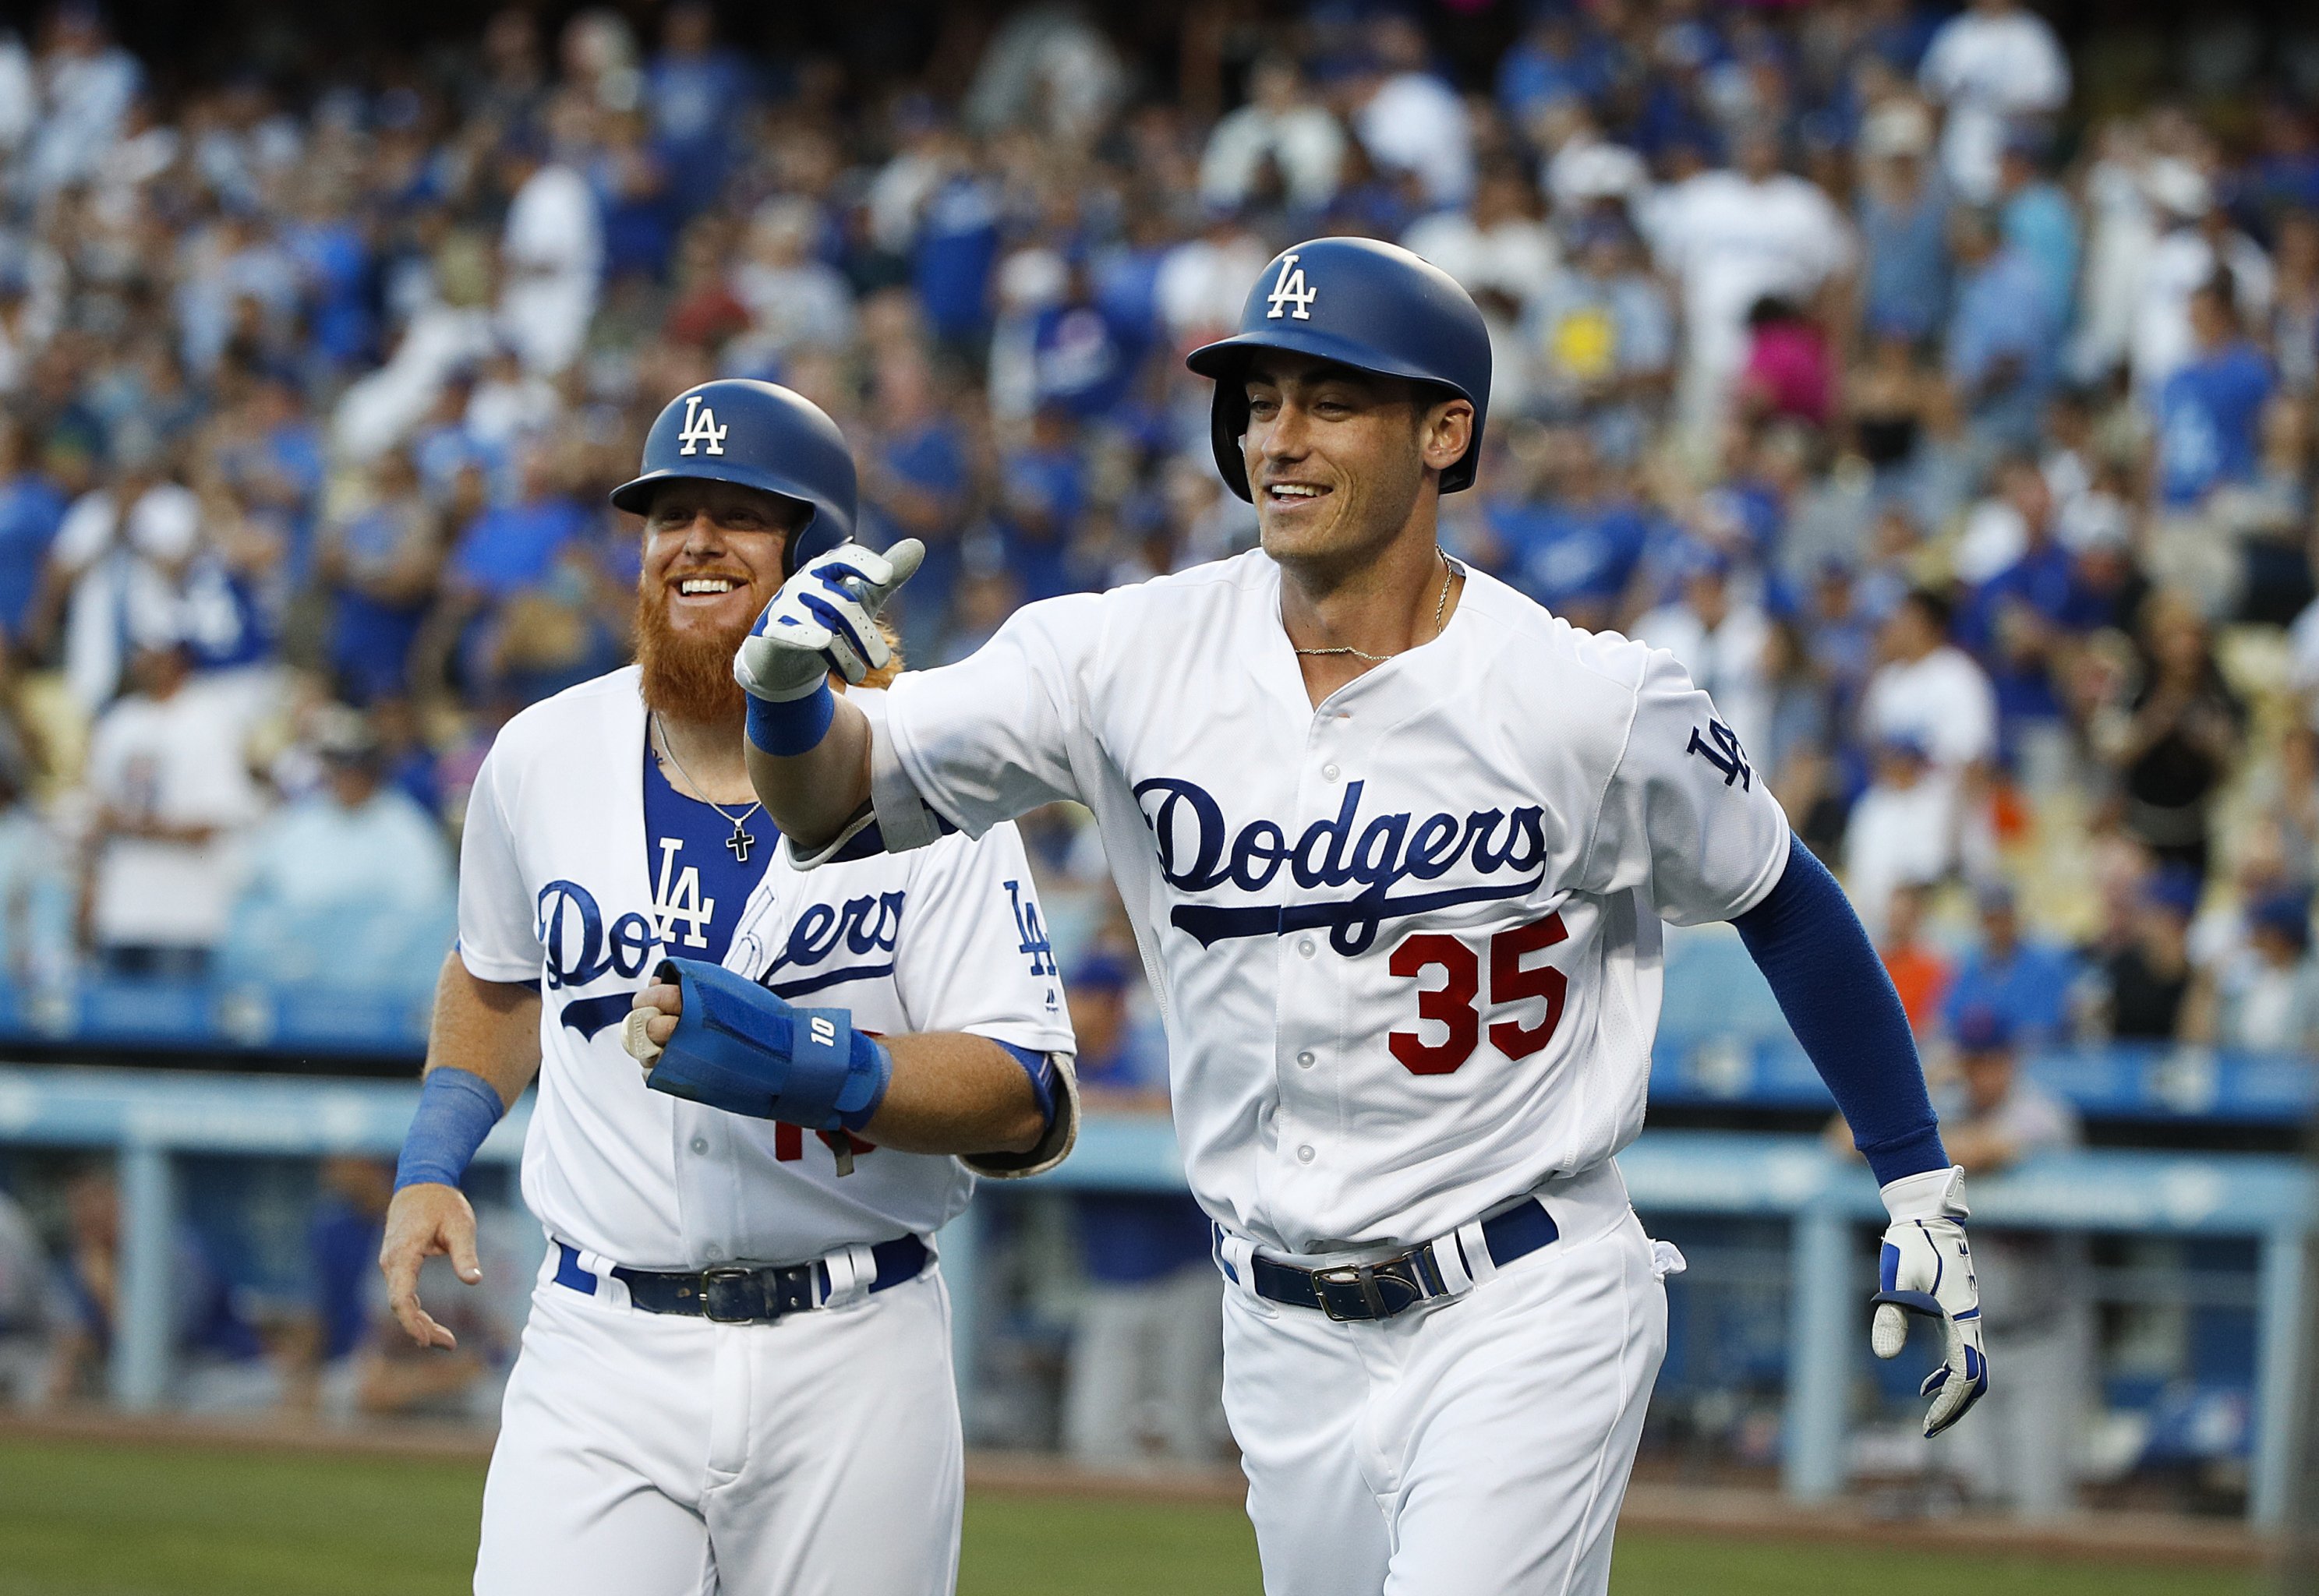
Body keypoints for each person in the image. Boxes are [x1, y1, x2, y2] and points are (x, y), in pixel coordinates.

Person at [734, 239, 1982, 1594]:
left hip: (1528, 1292)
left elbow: (1782, 896)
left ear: (1446, 430)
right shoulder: (1118, 655)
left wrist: (1917, 1173)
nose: (1280, 437)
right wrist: (788, 702)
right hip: (1279, 1327)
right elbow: (831, 804)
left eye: (1331, 401)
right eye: (1261, 401)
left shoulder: (1584, 699)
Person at [380, 379, 1079, 1596]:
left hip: (851, 1347)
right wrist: (435, 1154)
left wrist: (826, 1067)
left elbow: (1029, 1093)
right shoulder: (542, 754)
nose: (693, 542)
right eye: (668, 515)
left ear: (820, 558)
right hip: (601, 1339)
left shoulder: (933, 779)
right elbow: (497, 975)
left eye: (741, 514)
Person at [1935, 1007, 2088, 1519]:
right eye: (1970, 1061)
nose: (1981, 1073)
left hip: (2042, 1334)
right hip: (1967, 1339)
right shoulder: (1944, 1106)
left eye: (1990, 1060)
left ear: (2010, 1060)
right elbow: (1843, 1138)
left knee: (2041, 1508)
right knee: (1971, 1505)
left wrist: (1910, 1147)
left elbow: (1983, 1152)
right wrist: (1927, 1079)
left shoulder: (2044, 1114)